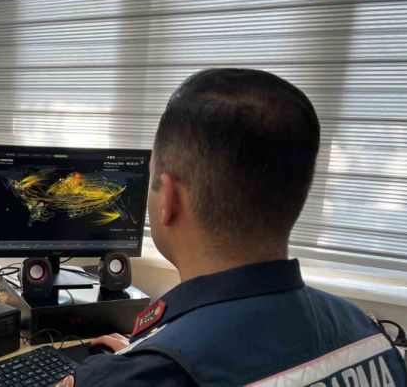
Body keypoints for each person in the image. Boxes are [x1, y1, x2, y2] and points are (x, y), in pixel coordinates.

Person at [57, 69, 407, 387]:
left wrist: (119, 371)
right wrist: (143, 352)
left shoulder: (138, 377)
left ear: (170, 199)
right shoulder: (367, 334)